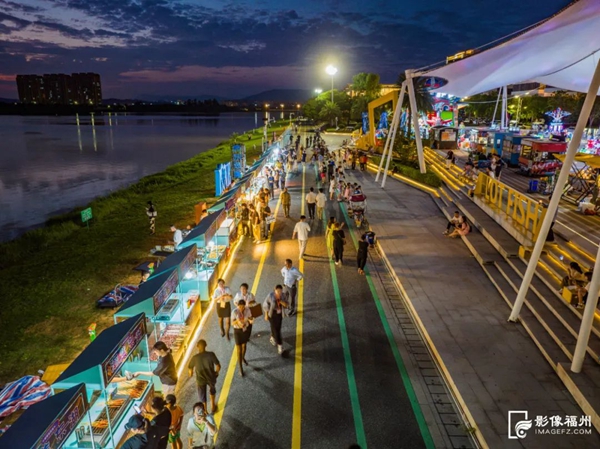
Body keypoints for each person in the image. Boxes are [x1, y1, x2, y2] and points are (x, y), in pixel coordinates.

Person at [188, 340, 221, 414]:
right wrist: (216, 373)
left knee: (202, 396)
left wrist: (191, 373)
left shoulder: (195, 358)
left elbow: (190, 369)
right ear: (206, 345)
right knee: (212, 390)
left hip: (200, 380)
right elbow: (218, 366)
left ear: (197, 347)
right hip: (211, 377)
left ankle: (205, 410)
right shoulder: (211, 354)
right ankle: (213, 406)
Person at [263, 285, 289, 355]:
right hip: (272, 314)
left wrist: (281, 301)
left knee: (277, 328)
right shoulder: (270, 296)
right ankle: (280, 346)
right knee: (277, 330)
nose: (279, 292)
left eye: (280, 291)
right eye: (277, 291)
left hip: (279, 314)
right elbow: (265, 305)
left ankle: (272, 337)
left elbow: (286, 305)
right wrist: (266, 314)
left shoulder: (283, 296)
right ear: (274, 291)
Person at [231, 299, 254, 376]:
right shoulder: (234, 312)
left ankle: (243, 358)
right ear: (237, 306)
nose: (241, 308)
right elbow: (232, 323)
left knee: (244, 346)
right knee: (239, 349)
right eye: (240, 306)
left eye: (243, 306)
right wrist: (237, 321)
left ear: (245, 306)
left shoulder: (247, 310)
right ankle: (240, 368)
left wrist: (251, 320)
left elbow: (250, 317)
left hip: (244, 330)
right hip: (237, 331)